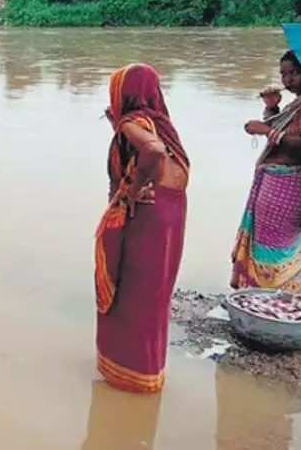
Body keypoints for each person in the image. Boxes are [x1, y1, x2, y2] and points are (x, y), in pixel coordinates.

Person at [95, 63, 190, 394]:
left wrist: (133, 189)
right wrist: (116, 126)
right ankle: (150, 370)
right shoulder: (160, 122)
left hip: (145, 215)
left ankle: (126, 375)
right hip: (171, 214)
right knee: (155, 293)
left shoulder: (133, 123)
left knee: (130, 292)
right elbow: (158, 151)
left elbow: (152, 151)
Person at [231, 50, 301, 293]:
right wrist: (272, 109)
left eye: (294, 73)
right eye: (283, 74)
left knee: (274, 243)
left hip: (289, 184)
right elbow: (285, 130)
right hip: (277, 181)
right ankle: (265, 295)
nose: (287, 79)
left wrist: (266, 130)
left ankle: (272, 297)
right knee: (268, 240)